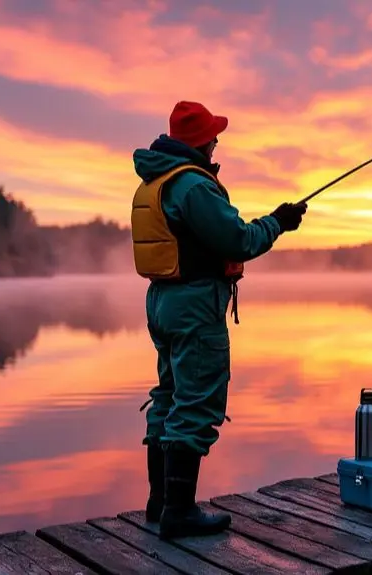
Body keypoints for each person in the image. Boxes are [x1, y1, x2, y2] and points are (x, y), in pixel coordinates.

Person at [130, 100, 307, 539]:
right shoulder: (193, 185)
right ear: (197, 142)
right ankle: (180, 513)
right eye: (212, 136)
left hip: (162, 301)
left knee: (168, 396)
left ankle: (160, 504)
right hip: (193, 306)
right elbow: (238, 240)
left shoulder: (157, 181)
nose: (216, 142)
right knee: (195, 401)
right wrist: (278, 222)